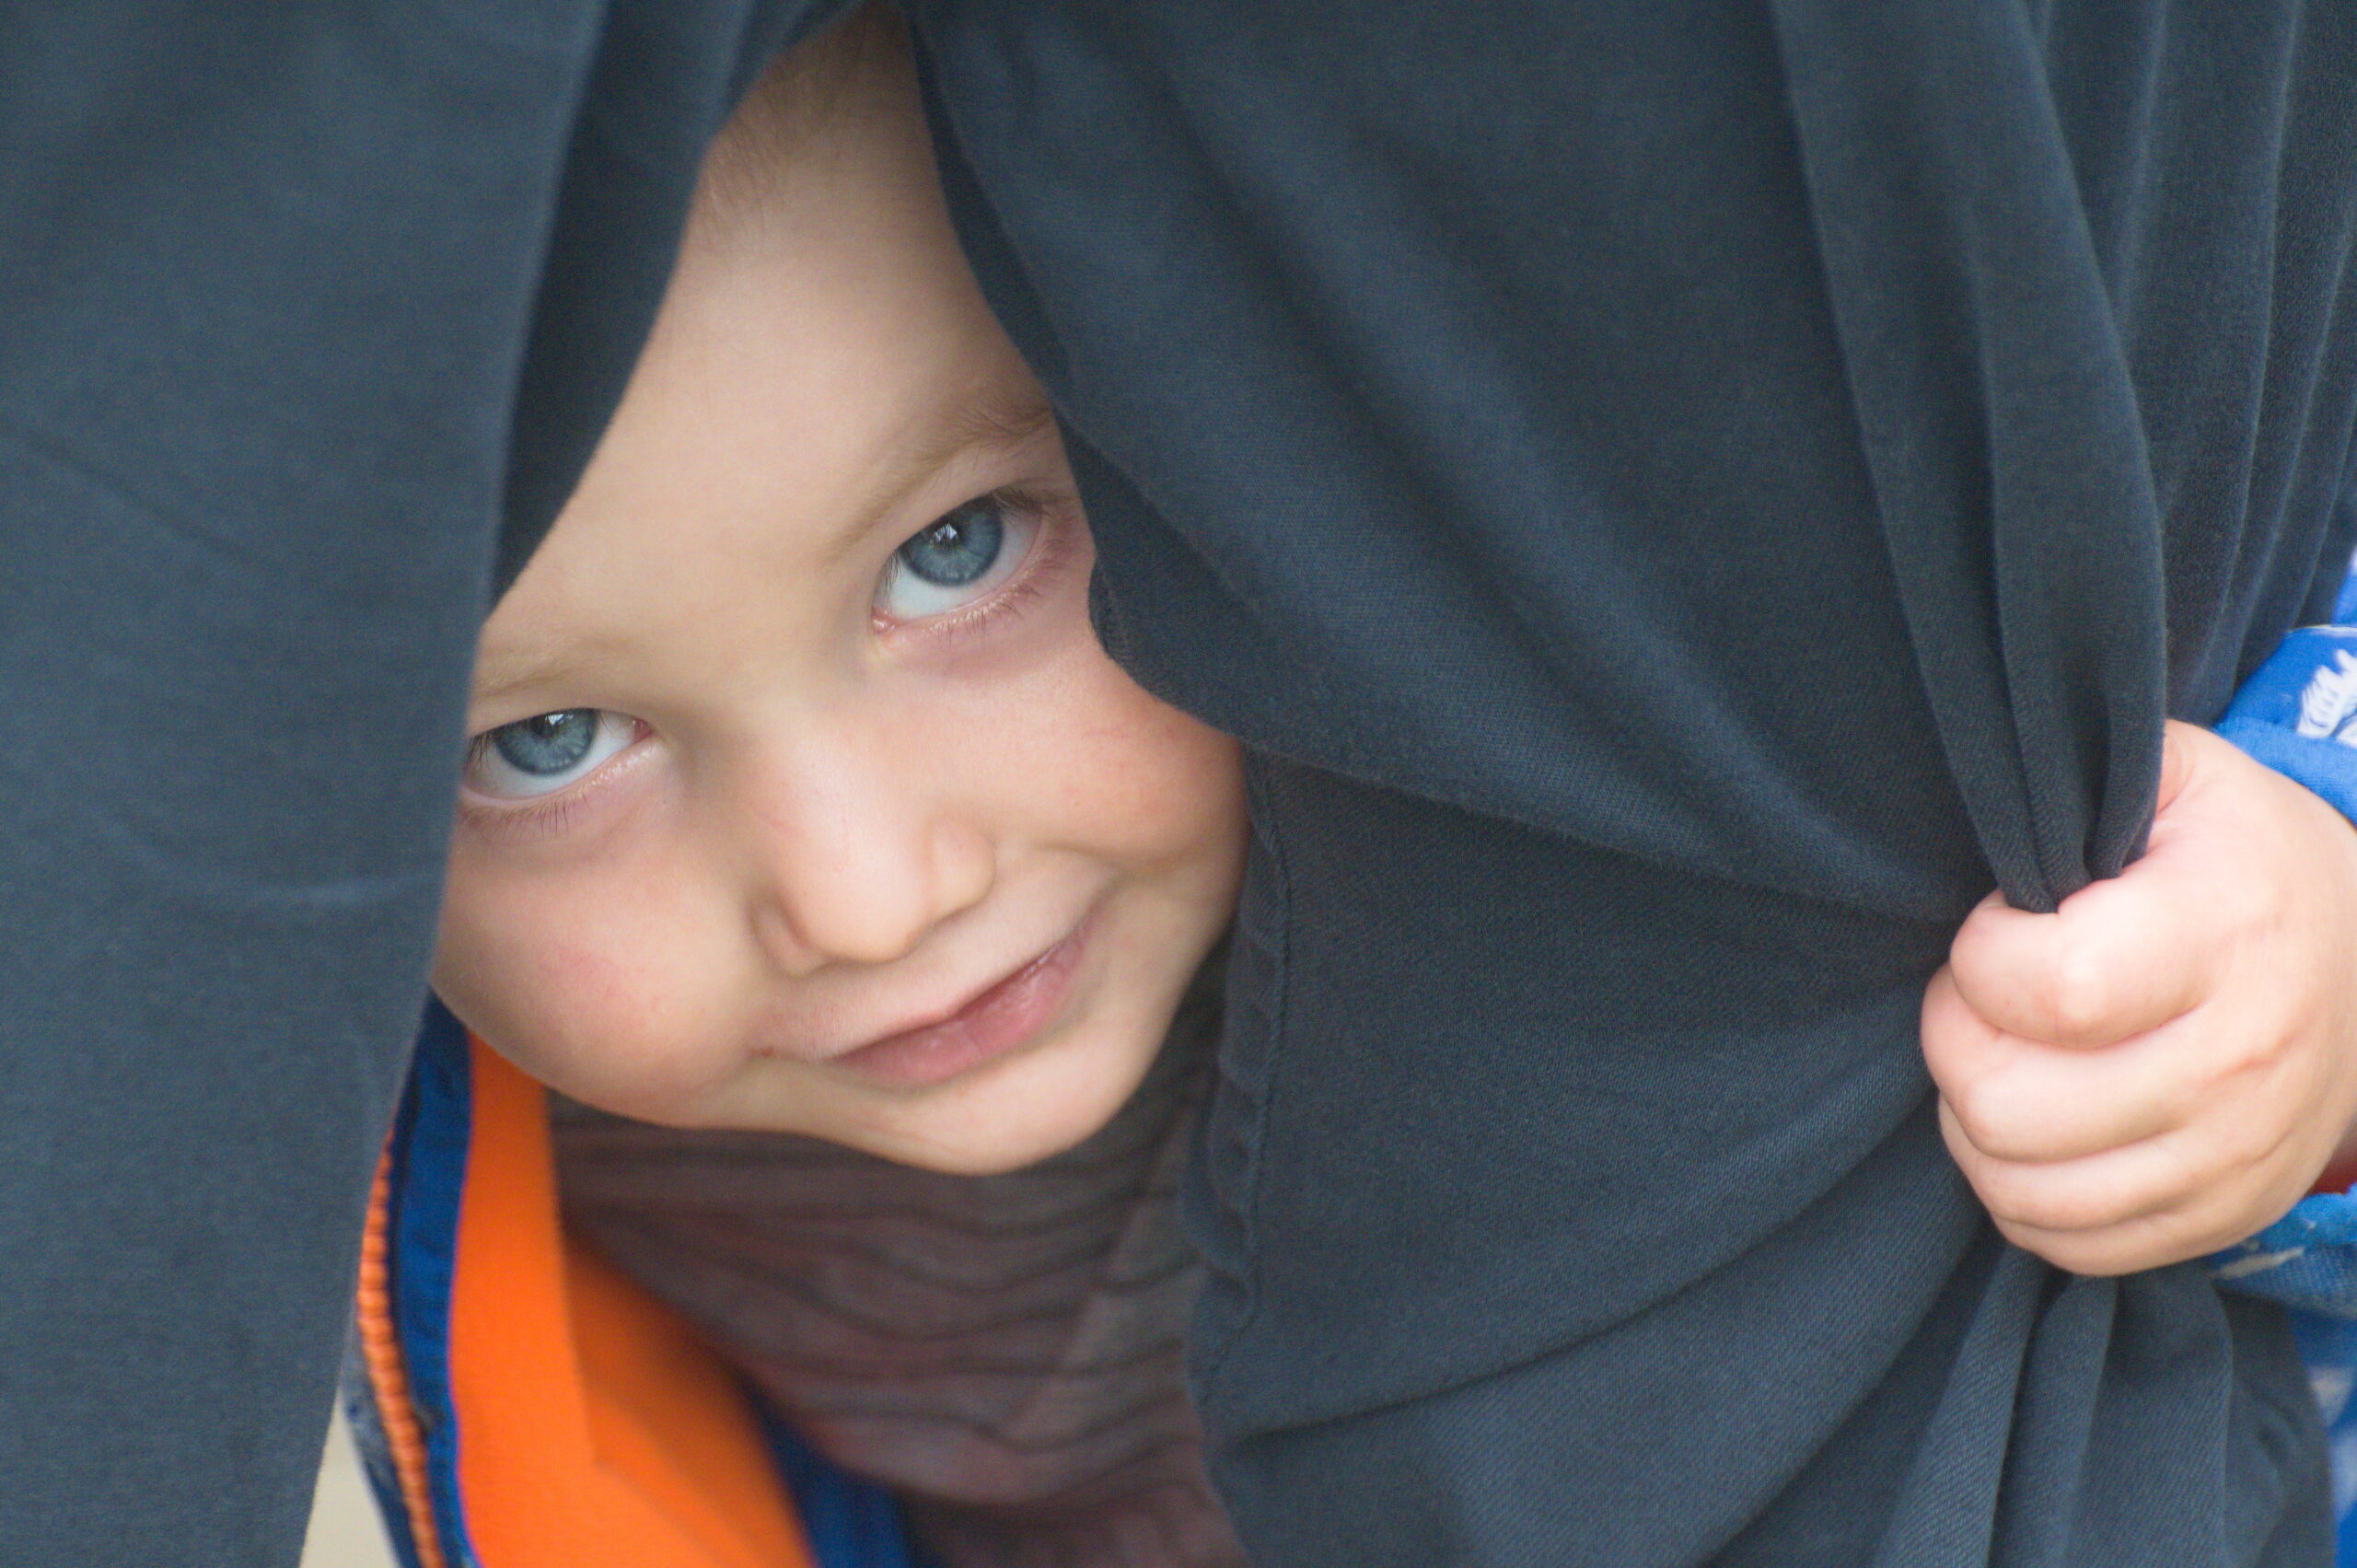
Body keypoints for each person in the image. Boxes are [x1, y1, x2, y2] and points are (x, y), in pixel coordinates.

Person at [11, 4, 2357, 1564]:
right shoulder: (440, 1202)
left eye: (956, 553)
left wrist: (2303, 959)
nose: (864, 892)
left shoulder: (1585, 819)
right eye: (544, 745)